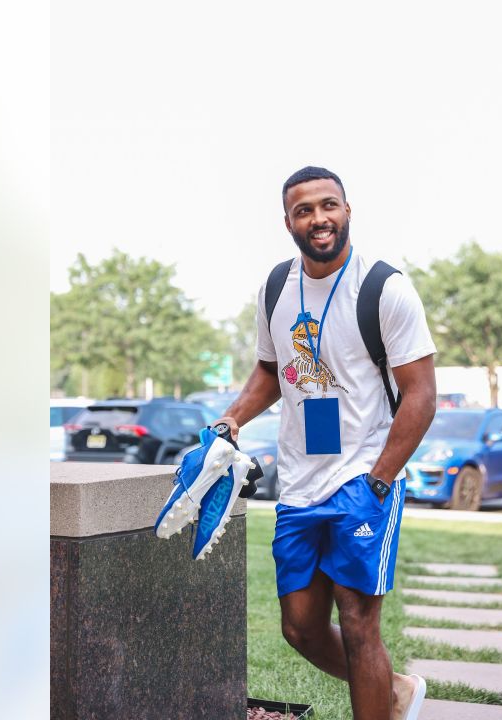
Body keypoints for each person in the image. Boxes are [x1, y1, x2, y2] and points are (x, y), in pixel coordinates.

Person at [216, 166, 437, 720]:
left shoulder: (384, 287)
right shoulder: (276, 288)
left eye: (328, 205)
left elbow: (421, 396)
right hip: (300, 482)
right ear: (288, 221)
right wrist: (232, 419)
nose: (319, 219)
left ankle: (380, 700)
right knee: (300, 627)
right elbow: (271, 369)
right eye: (304, 210)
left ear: (347, 210)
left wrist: (379, 479)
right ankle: (397, 691)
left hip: (365, 476)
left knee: (360, 623)